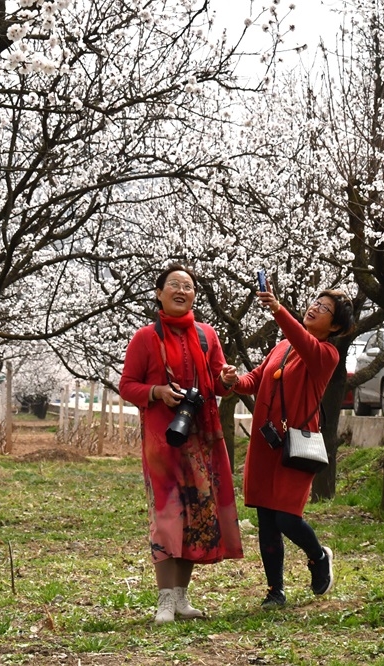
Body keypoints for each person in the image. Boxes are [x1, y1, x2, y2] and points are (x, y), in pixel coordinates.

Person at [119, 264, 244, 624]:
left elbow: (220, 385)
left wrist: (226, 378)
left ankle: (181, 598)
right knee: (167, 517)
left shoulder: (207, 335)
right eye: (173, 284)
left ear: (193, 296)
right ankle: (163, 600)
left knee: (196, 517)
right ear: (159, 294)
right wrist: (157, 392)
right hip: (163, 444)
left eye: (187, 286)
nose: (181, 290)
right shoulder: (145, 337)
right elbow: (127, 385)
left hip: (202, 440)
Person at [230, 285, 354, 608]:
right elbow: (255, 380)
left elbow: (303, 340)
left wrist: (277, 309)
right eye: (315, 302)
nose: (314, 308)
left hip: (295, 447)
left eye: (324, 309)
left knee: (287, 517)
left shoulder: (326, 355)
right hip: (265, 443)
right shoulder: (282, 347)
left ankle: (318, 556)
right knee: (267, 521)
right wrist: (230, 381)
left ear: (336, 327)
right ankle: (275, 590)